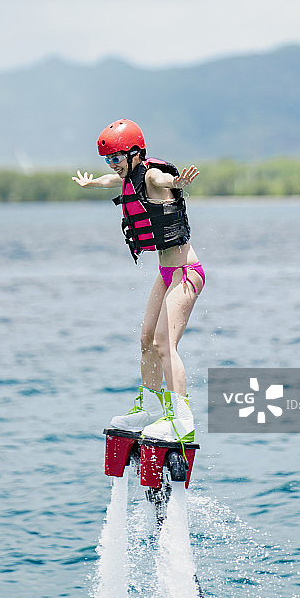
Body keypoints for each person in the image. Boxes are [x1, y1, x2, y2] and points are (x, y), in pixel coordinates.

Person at [72, 119, 205, 442]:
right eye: (108, 159)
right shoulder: (128, 177)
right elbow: (111, 180)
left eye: (116, 158)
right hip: (166, 274)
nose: (112, 165)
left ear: (135, 153)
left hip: (186, 273)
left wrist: (178, 181)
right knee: (146, 340)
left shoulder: (151, 175)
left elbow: (164, 179)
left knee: (164, 344)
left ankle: (182, 419)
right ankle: (149, 408)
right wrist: (92, 183)